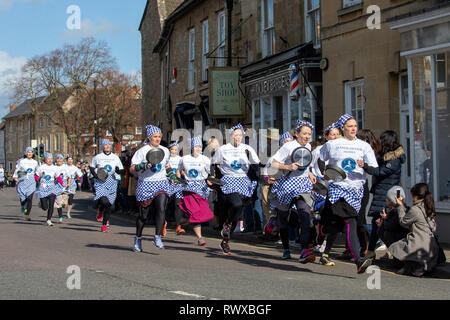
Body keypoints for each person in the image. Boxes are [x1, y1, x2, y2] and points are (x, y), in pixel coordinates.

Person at [319, 114, 378, 273]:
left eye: (355, 126)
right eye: (350, 126)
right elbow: (320, 159)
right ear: (342, 128)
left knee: (335, 224)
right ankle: (359, 262)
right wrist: (324, 171)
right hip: (338, 188)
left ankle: (325, 253)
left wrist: (364, 165)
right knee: (350, 222)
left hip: (357, 189)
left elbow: (374, 169)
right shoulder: (333, 144)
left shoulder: (364, 146)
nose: (353, 128)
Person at [269, 120, 317, 263]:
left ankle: (304, 250)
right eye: (304, 133)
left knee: (304, 214)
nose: (307, 136)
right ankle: (285, 248)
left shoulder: (308, 146)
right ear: (297, 134)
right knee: (284, 219)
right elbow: (273, 163)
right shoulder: (289, 146)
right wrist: (288, 167)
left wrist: (309, 173)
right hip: (287, 185)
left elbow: (305, 164)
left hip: (302, 185)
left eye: (309, 134)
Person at [211, 124, 260, 255]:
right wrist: (212, 176)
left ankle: (225, 240)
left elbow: (256, 165)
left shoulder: (247, 149)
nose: (237, 137)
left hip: (244, 180)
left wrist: (259, 176)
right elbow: (213, 163)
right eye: (235, 135)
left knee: (238, 211)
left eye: (240, 135)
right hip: (229, 179)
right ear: (230, 136)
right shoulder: (223, 149)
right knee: (236, 204)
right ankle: (226, 224)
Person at [358, 130, 406, 260]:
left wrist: (366, 167)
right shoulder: (384, 156)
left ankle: (379, 250)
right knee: (377, 224)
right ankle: (374, 250)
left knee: (381, 224)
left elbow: (380, 171)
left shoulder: (394, 160)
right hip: (381, 193)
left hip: (386, 195)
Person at [131, 125, 177, 252]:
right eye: (155, 137)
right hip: (146, 184)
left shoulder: (165, 150)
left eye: (159, 137)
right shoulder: (142, 151)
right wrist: (143, 166)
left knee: (161, 208)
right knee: (143, 216)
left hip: (161, 183)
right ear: (149, 138)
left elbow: (167, 166)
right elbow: (132, 169)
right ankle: (138, 238)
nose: (157, 139)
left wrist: (173, 177)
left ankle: (157, 237)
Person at [389, 183, 440, 277]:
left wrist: (400, 206)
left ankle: (410, 264)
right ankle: (416, 265)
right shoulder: (428, 206)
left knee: (395, 246)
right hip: (432, 246)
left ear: (416, 196)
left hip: (419, 244)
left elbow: (403, 222)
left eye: (412, 195)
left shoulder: (415, 209)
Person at [177, 136, 214, 246]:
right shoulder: (184, 159)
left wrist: (211, 180)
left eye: (200, 147)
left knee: (205, 214)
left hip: (201, 188)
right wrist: (179, 180)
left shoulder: (205, 159)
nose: (198, 149)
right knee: (195, 212)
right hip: (189, 188)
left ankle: (187, 221)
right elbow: (178, 170)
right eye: (196, 147)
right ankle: (200, 238)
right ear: (191, 148)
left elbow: (211, 173)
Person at [90, 139, 125, 232]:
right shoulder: (98, 157)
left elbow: (122, 169)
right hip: (101, 181)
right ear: (102, 146)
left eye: (109, 145)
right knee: (104, 201)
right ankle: (101, 210)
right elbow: (92, 167)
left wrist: (118, 171)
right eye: (105, 145)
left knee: (110, 206)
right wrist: (96, 176)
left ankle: (104, 224)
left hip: (112, 181)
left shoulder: (115, 157)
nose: (107, 146)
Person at [36, 153, 66, 226]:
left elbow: (58, 176)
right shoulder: (41, 167)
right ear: (46, 159)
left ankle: (48, 220)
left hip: (52, 188)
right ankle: (42, 204)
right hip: (43, 188)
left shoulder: (55, 168)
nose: (50, 160)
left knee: (51, 205)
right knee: (45, 207)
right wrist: (38, 180)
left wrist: (62, 183)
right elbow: (36, 175)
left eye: (51, 159)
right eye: (48, 159)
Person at [13, 147, 38, 220]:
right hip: (23, 181)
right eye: (28, 152)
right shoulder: (22, 161)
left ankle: (27, 215)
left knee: (30, 199)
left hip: (31, 181)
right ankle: (23, 205)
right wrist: (15, 177)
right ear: (26, 153)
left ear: (33, 153)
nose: (29, 153)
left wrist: (39, 178)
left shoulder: (35, 162)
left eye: (31, 152)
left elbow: (37, 172)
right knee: (23, 199)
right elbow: (17, 170)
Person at [167, 141, 185, 235]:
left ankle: (178, 226)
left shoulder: (180, 159)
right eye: (173, 149)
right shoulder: (166, 158)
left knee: (178, 204)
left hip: (178, 184)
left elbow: (183, 171)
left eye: (176, 150)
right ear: (169, 150)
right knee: (165, 203)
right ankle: (163, 222)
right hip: (167, 183)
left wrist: (182, 174)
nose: (174, 151)